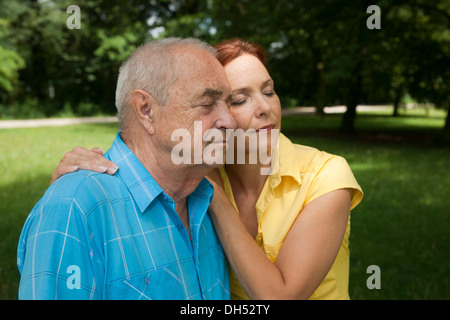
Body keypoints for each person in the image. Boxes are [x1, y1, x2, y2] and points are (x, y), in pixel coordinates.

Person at [50, 38, 364, 300]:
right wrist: (75, 182)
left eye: (269, 91)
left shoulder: (326, 175)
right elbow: (150, 143)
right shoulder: (198, 171)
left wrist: (217, 200)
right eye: (239, 99)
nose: (265, 108)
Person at [16, 38, 236, 300]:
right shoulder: (74, 207)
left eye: (229, 103)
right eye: (207, 103)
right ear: (146, 110)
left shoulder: (207, 198)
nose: (230, 121)